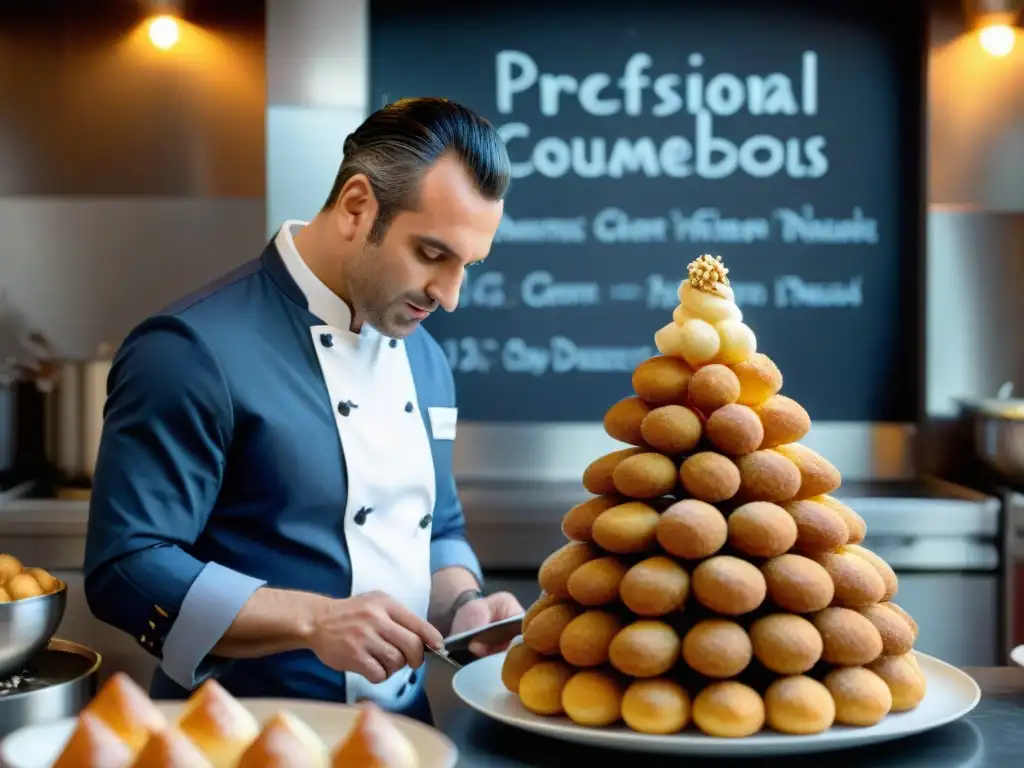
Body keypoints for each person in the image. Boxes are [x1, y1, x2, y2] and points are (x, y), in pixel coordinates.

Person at [82, 97, 524, 724]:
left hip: (403, 735)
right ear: (356, 207)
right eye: (431, 255)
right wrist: (314, 619)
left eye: (467, 267)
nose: (450, 297)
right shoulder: (191, 350)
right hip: (239, 736)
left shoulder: (424, 360)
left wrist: (463, 607)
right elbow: (125, 565)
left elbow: (439, 530)